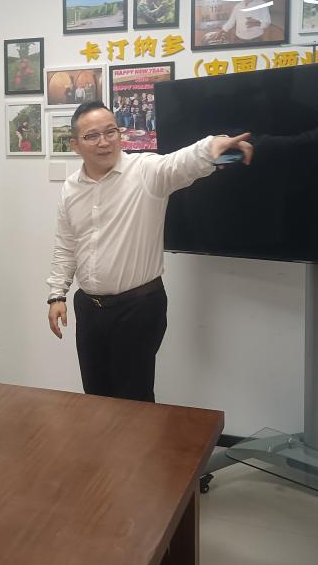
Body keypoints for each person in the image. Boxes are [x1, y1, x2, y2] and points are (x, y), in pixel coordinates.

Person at [46, 101, 252, 402]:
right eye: (92, 136)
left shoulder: (145, 171)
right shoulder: (70, 188)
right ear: (75, 144)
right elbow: (66, 245)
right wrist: (57, 295)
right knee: (94, 397)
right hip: (89, 308)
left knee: (134, 401)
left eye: (111, 131)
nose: (104, 142)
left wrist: (213, 145)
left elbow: (181, 163)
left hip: (138, 307)